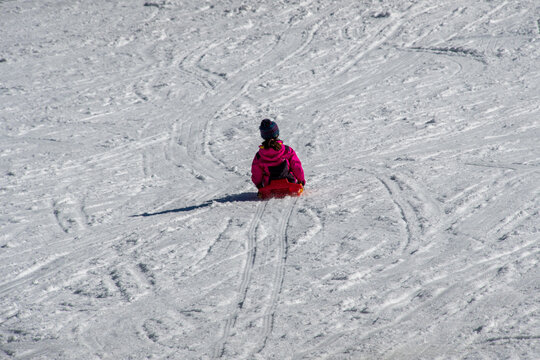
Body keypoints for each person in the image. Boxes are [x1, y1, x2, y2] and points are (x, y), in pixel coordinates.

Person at [251, 119, 305, 189]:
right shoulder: (287, 150)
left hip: (269, 186)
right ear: (277, 134)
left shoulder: (259, 156)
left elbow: (256, 172)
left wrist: (258, 185)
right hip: (290, 182)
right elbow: (296, 166)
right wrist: (301, 180)